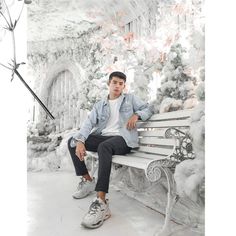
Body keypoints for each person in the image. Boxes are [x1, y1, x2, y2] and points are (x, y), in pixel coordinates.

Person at [67, 71, 153, 229]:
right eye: (115, 82)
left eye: (121, 83)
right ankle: (87, 180)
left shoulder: (130, 99)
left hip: (123, 140)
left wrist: (137, 115)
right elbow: (88, 123)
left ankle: (101, 202)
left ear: (124, 86)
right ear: (109, 84)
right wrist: (80, 140)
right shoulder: (100, 105)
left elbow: (148, 109)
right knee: (72, 142)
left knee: (103, 147)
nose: (118, 86)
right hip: (104, 138)